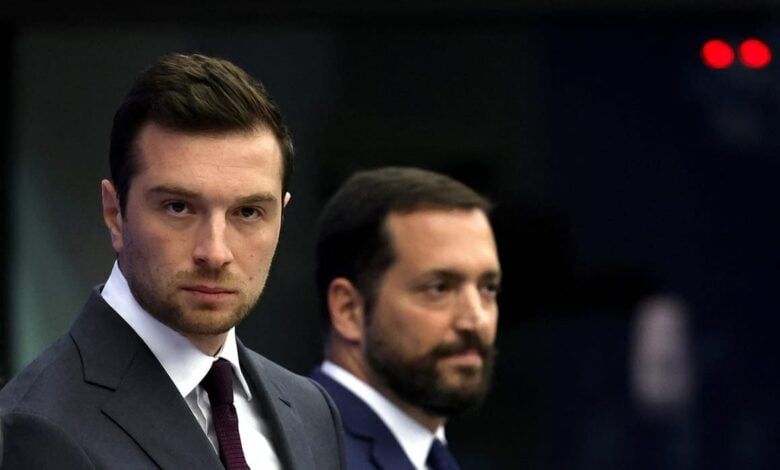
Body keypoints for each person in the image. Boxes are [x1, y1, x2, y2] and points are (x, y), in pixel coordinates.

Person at [0, 53, 345, 469]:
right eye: (178, 207)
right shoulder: (35, 427)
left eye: (248, 212)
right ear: (114, 213)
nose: (215, 253)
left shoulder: (313, 412)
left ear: (282, 218)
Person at [310, 167, 501, 470]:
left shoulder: (429, 454)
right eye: (439, 288)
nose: (476, 320)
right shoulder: (303, 452)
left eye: (487, 288)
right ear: (348, 309)